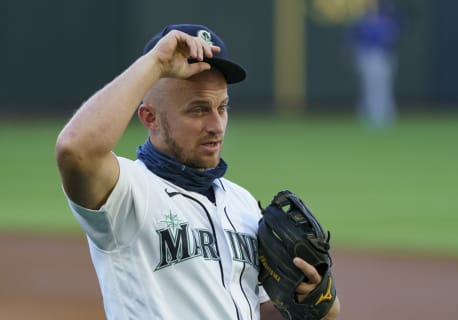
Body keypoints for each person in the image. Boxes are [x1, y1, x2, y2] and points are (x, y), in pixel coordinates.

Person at [55, 24, 340, 319]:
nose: (216, 126)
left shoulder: (242, 203)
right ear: (150, 117)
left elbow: (259, 310)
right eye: (198, 110)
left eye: (222, 107)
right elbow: (75, 149)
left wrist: (316, 305)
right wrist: (156, 63)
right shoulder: (127, 195)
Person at [349, 0, 401, 129]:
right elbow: (356, 39)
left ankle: (384, 117)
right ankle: (370, 117)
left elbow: (391, 39)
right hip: (368, 56)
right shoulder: (364, 23)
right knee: (369, 89)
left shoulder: (387, 23)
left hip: (382, 57)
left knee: (383, 89)